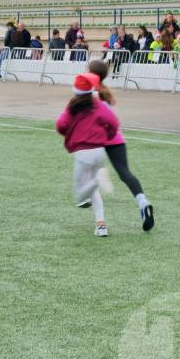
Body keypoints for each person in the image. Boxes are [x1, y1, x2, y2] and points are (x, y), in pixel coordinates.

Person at [88, 59, 155, 230]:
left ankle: (100, 223)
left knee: (90, 175)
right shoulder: (106, 92)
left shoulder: (90, 93)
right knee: (125, 173)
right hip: (116, 137)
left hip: (97, 138)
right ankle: (143, 202)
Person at [55, 73, 118, 237]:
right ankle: (101, 226)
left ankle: (97, 180)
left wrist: (69, 132)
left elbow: (60, 124)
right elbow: (113, 122)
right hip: (99, 151)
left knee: (80, 196)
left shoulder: (72, 106)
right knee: (92, 189)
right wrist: (108, 135)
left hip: (83, 153)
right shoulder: (98, 104)